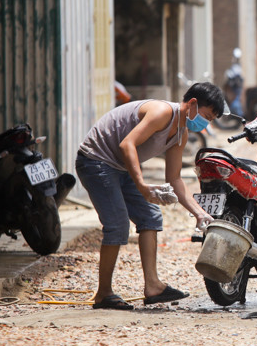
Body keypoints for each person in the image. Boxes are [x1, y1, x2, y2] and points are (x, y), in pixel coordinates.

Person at [75, 82, 225, 310]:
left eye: (210, 120)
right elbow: (128, 145)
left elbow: (175, 179)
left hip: (120, 166)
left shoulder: (181, 134)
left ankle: (153, 286)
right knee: (116, 224)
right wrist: (143, 186)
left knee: (150, 216)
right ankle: (103, 293)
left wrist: (199, 213)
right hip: (96, 160)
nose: (205, 123)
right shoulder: (162, 112)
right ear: (192, 103)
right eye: (206, 115)